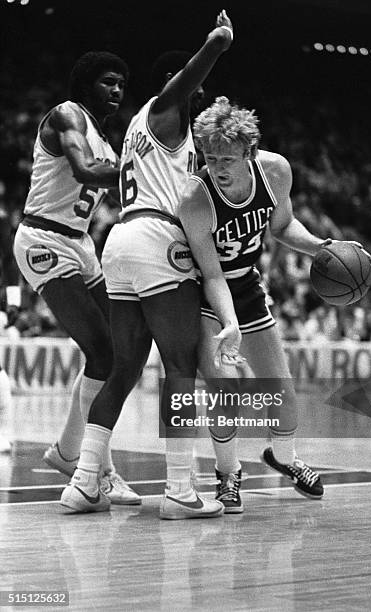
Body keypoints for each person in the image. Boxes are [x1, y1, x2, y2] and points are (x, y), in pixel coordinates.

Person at [61, 11, 241, 518]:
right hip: (157, 242)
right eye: (195, 90)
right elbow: (186, 83)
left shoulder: (149, 133)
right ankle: (180, 490)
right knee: (180, 367)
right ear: (174, 84)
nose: (201, 98)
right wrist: (216, 44)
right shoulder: (163, 109)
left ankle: (83, 483)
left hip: (121, 242)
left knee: (123, 370)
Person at [179, 96, 370, 513]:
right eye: (210, 158)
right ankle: (228, 475)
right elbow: (212, 275)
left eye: (227, 158)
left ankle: (284, 458)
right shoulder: (196, 198)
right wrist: (229, 325)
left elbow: (282, 226)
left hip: (246, 285)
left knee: (280, 391)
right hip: (205, 293)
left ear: (249, 152)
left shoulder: (276, 171)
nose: (218, 167)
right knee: (223, 390)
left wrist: (324, 246)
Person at [13, 52, 140, 504]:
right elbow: (85, 170)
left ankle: (71, 452)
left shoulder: (107, 138)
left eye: (122, 83)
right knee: (103, 351)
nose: (117, 90)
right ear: (86, 84)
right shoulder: (68, 115)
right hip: (44, 239)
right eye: (108, 81)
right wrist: (140, 168)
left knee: (122, 352)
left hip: (82, 244)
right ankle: (94, 467)